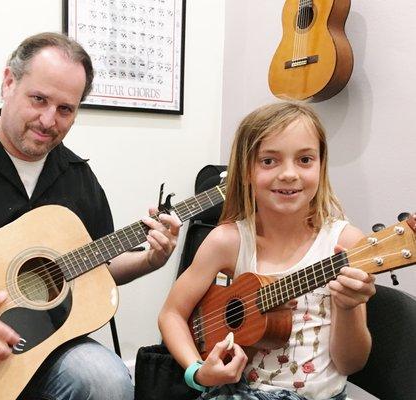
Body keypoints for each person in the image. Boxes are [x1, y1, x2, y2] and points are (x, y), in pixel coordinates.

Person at [0, 32, 181, 400]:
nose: (48, 120)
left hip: (40, 353)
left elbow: (95, 265)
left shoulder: (77, 178)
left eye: (65, 109)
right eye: (38, 99)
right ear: (9, 82)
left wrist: (150, 260)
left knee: (106, 380)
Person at [158, 102, 376, 400]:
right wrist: (196, 371)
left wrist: (348, 307)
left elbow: (351, 363)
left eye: (305, 159)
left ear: (321, 165)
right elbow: (172, 313)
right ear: (246, 170)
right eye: (269, 161)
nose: (288, 174)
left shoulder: (344, 244)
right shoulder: (228, 241)